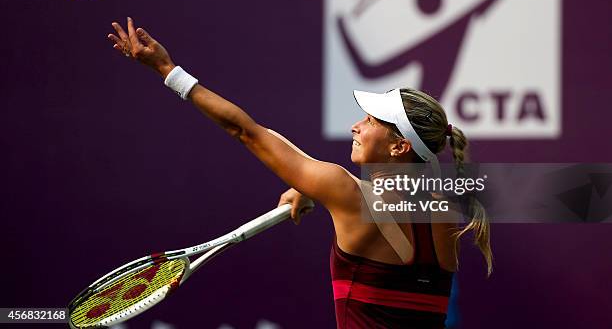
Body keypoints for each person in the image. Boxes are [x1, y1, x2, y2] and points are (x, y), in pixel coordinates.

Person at [108, 17, 492, 329]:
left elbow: (247, 131)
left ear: (399, 146)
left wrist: (166, 70)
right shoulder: (451, 206)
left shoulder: (346, 193)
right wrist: (315, 191)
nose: (356, 126)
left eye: (371, 121)